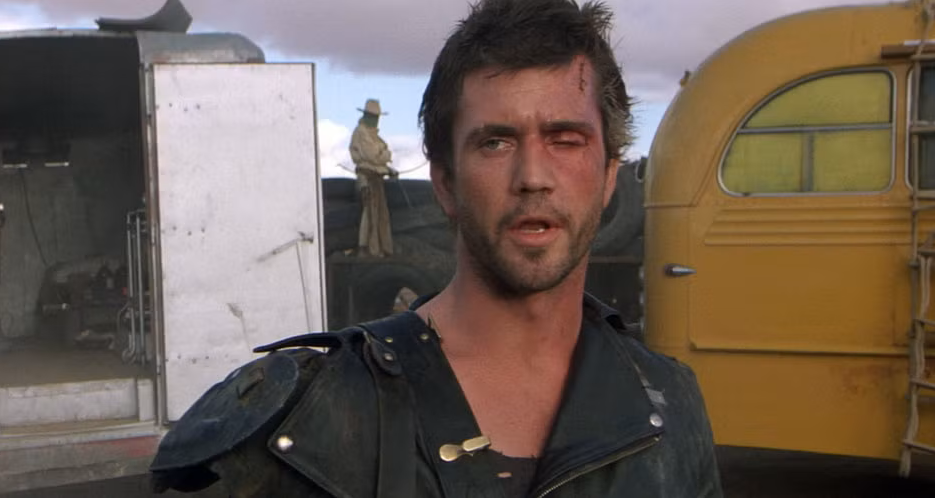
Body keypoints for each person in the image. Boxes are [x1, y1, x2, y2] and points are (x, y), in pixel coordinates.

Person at [150, 0, 723, 496]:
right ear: (445, 181)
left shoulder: (670, 403)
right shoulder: (314, 417)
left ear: (608, 177)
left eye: (565, 140)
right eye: (496, 142)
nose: (533, 176)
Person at [350, 98, 398, 257]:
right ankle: (366, 248)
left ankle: (381, 249)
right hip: (366, 177)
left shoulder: (375, 136)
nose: (374, 120)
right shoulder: (361, 132)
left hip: (376, 178)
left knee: (380, 214)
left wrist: (386, 166)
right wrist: (383, 154)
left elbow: (380, 156)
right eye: (372, 116)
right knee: (369, 212)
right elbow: (372, 155)